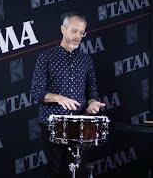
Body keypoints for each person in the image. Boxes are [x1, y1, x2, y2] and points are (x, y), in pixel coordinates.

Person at [31, 12, 106, 178]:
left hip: (79, 123)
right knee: (56, 172)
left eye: (82, 33)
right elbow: (36, 93)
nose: (78, 36)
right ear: (63, 29)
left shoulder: (86, 60)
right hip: (52, 123)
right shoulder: (46, 57)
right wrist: (59, 98)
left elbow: (92, 90)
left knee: (76, 171)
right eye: (74, 31)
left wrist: (93, 102)